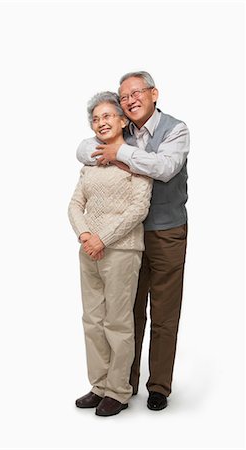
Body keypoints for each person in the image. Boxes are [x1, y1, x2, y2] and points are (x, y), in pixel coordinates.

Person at [77, 71, 189, 411]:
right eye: (124, 96)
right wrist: (112, 150)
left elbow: (165, 167)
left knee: (164, 313)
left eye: (136, 92)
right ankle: (122, 384)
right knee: (127, 313)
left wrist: (120, 154)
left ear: (154, 94)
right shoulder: (122, 129)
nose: (130, 99)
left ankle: (159, 386)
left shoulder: (176, 129)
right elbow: (84, 148)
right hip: (127, 236)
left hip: (167, 230)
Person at [68, 91, 153, 417]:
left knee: (117, 322)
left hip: (122, 250)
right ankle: (99, 385)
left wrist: (102, 237)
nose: (101, 122)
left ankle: (118, 390)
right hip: (89, 250)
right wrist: (85, 234)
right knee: (92, 320)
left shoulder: (136, 159)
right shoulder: (92, 161)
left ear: (121, 120)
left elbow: (138, 208)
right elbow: (75, 204)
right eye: (95, 118)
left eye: (107, 116)